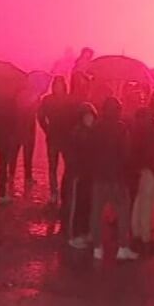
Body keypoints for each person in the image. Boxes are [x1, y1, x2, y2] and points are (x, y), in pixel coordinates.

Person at [71, 97, 138, 260]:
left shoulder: (96, 128)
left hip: (99, 176)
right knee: (122, 212)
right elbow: (126, 153)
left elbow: (90, 150)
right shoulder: (121, 129)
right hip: (117, 176)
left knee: (96, 211)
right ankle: (122, 248)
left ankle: (97, 248)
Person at [130, 90, 154, 252]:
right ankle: (144, 238)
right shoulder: (149, 122)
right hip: (148, 168)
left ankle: (137, 235)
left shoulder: (145, 119)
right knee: (146, 203)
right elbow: (148, 147)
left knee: (139, 202)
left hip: (142, 167)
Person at [37, 76, 76, 210]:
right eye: (56, 85)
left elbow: (75, 118)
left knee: (68, 167)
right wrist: (46, 129)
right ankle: (54, 193)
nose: (58, 88)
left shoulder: (69, 100)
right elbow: (40, 116)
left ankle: (65, 191)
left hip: (66, 138)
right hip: (53, 136)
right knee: (52, 167)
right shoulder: (48, 100)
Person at [61, 102, 97, 239]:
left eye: (91, 117)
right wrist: (75, 171)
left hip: (88, 175)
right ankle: (75, 234)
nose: (89, 120)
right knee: (78, 205)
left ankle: (84, 231)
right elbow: (71, 155)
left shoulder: (92, 133)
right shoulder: (76, 133)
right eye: (86, 117)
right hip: (79, 175)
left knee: (87, 204)